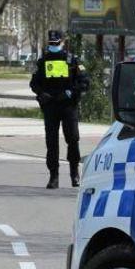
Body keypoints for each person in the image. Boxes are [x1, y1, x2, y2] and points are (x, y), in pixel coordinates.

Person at [30, 30, 89, 189]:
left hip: (68, 105)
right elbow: (34, 83)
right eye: (51, 44)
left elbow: (84, 82)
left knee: (73, 139)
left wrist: (70, 92)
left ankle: (74, 174)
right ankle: (53, 176)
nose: (53, 46)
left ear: (63, 43)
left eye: (56, 44)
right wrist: (42, 94)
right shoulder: (43, 61)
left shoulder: (72, 61)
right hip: (51, 106)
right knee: (52, 142)